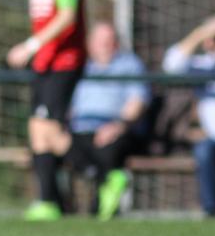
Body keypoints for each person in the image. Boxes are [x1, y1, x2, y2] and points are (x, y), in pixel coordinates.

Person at [7, 0, 86, 221]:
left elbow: (67, 17)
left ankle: (102, 172)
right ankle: (50, 202)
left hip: (64, 61)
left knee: (50, 132)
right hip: (44, 62)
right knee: (37, 131)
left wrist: (30, 46)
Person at [64, 21, 150, 220]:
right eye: (100, 40)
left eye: (109, 40)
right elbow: (70, 106)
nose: (104, 45)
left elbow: (137, 101)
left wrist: (118, 126)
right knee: (58, 143)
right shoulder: (82, 67)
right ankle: (56, 203)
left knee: (107, 146)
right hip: (80, 130)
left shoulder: (129, 65)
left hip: (117, 129)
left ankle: (100, 206)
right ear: (90, 43)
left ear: (116, 43)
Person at [162, 13, 215, 217]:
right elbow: (171, 65)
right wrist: (203, 32)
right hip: (214, 140)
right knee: (203, 151)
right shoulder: (202, 65)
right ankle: (212, 210)